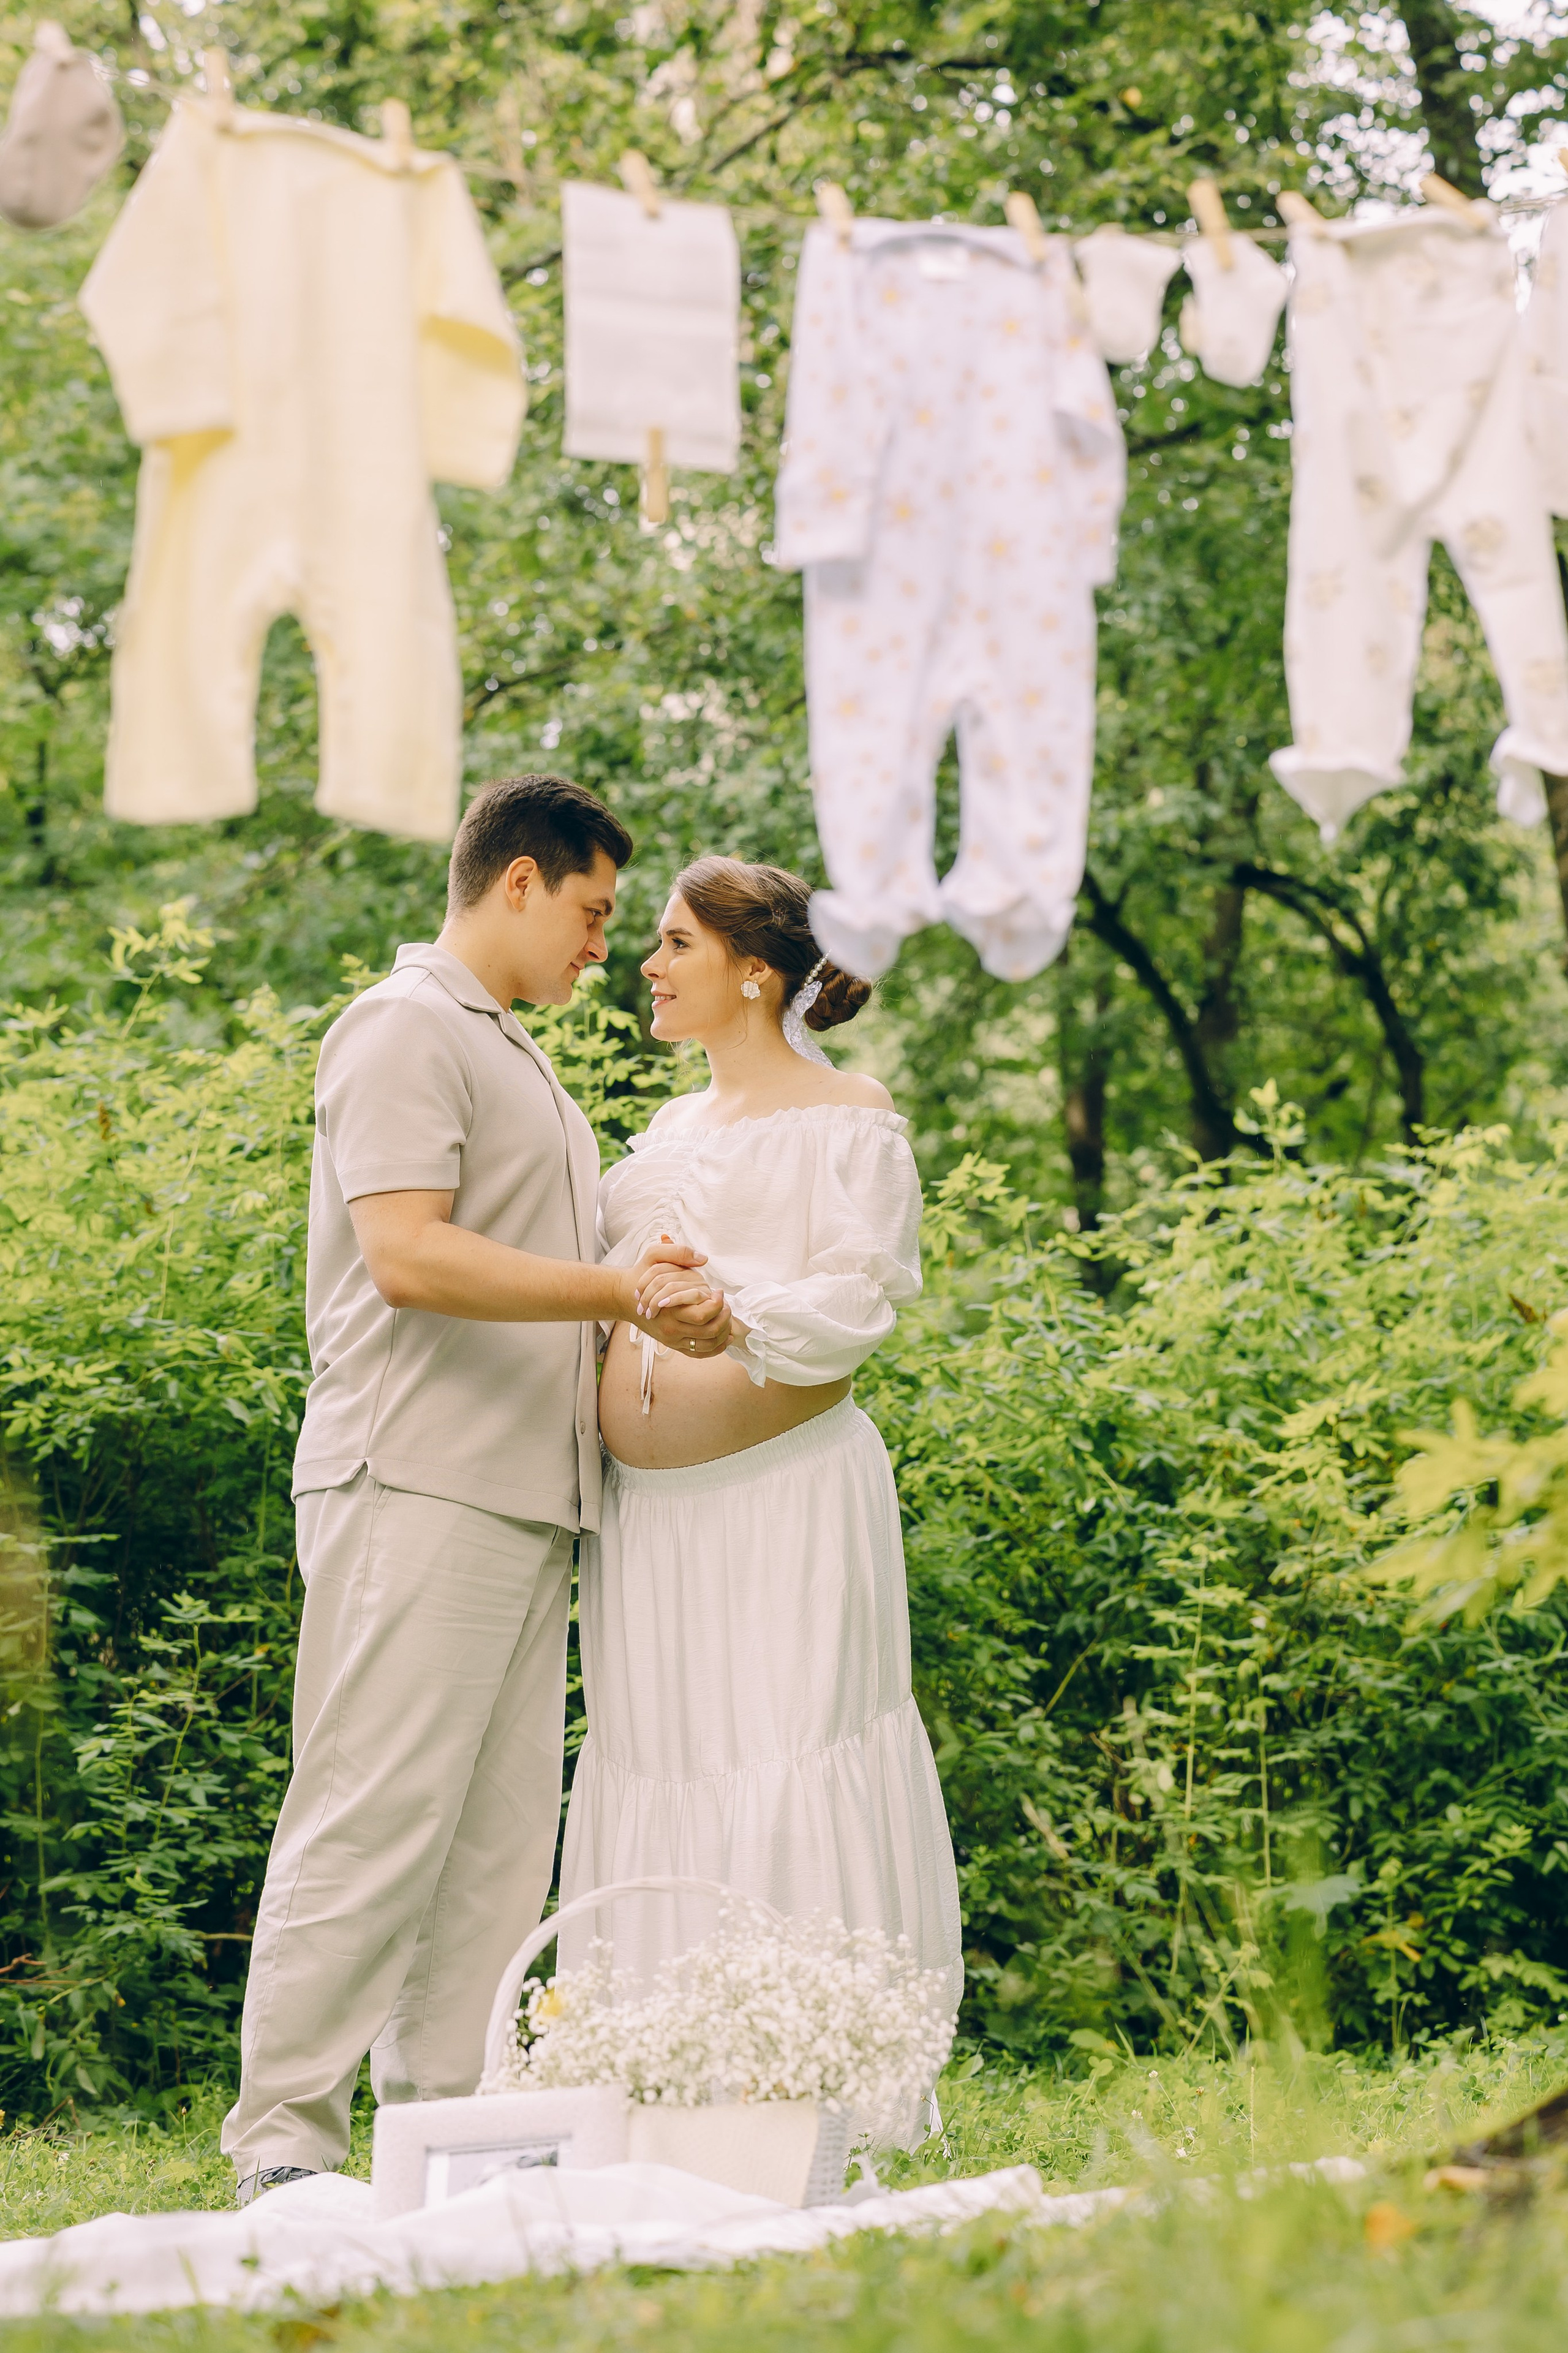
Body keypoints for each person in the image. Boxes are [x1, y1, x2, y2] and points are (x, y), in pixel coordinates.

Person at [222, 774, 729, 2205]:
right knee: (371, 1817)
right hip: (415, 1483)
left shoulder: (522, 1058)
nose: (598, 948)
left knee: (497, 1855)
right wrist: (621, 1289)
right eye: (589, 913)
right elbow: (410, 1257)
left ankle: (431, 2145)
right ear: (516, 881)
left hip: (529, 1500)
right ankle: (283, 2147)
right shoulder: (400, 1029)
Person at [558, 856, 963, 2042]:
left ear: (752, 971)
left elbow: (855, 1304)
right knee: (663, 1761)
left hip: (780, 1504)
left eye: (677, 943)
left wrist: (733, 1318)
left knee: (783, 1753)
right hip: (648, 1523)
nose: (648, 962)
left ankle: (814, 2065)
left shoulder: (852, 1116)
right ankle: (661, 2057)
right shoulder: (670, 1126)